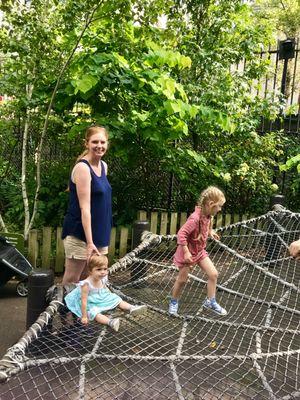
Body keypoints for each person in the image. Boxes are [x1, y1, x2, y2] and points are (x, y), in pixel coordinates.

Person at [61, 125, 112, 285]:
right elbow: (85, 208)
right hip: (80, 234)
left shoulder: (104, 166)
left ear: (107, 144)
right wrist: (90, 243)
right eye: (95, 141)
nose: (99, 146)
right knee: (72, 279)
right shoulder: (83, 168)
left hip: (100, 233)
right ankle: (62, 309)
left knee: (92, 280)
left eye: (103, 142)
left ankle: (83, 311)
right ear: (87, 143)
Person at [169, 186, 227, 316]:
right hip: (188, 254)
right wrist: (186, 252)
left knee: (213, 274)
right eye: (218, 206)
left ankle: (210, 301)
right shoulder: (194, 218)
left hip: (199, 252)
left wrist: (210, 231)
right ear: (210, 204)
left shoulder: (207, 215)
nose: (220, 209)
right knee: (182, 280)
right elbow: (181, 234)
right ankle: (173, 301)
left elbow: (207, 223)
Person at [65, 254, 147, 332]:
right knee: (94, 312)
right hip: (90, 301)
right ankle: (110, 322)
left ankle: (132, 308)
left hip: (101, 296)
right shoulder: (86, 284)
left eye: (105, 269)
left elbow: (104, 287)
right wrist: (84, 316)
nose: (103, 272)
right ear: (90, 271)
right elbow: (83, 301)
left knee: (116, 298)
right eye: (99, 269)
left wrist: (109, 295)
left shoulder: (103, 278)